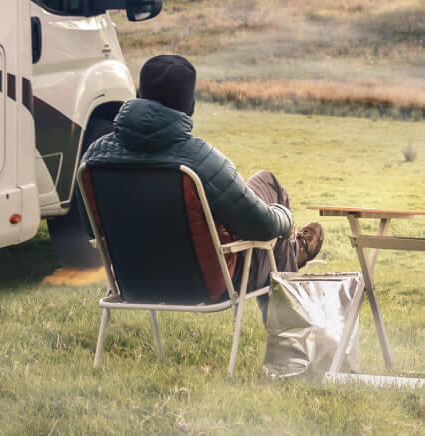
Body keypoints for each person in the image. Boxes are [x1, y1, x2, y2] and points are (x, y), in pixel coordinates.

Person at [82, 54, 324, 319]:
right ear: (190, 106)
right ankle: (292, 251)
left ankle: (290, 250)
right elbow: (263, 226)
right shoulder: (200, 160)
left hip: (134, 283)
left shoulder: (95, 157)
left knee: (262, 182)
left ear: (139, 94)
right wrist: (285, 218)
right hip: (205, 286)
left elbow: (90, 229)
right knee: (271, 203)